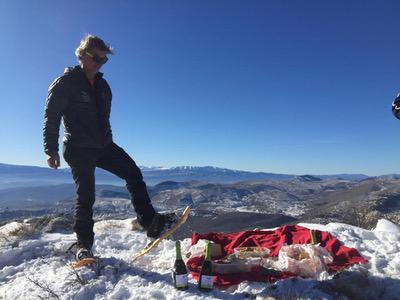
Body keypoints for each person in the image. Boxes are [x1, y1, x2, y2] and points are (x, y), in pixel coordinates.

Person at [43, 34, 176, 261]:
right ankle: (84, 246)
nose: (99, 63)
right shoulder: (66, 83)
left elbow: (105, 119)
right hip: (78, 147)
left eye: (104, 60)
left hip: (103, 145)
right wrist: (51, 149)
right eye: (96, 58)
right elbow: (52, 115)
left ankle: (150, 222)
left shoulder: (104, 86)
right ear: (82, 55)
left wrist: (108, 140)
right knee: (86, 196)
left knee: (133, 173)